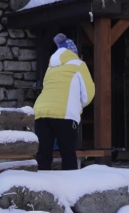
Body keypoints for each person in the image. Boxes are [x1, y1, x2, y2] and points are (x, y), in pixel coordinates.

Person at [32, 33, 95, 171]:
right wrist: (78, 106)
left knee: (43, 154)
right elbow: (88, 93)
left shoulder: (50, 67)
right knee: (67, 153)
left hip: (40, 113)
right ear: (73, 52)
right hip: (65, 114)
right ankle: (70, 187)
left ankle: (42, 187)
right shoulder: (79, 64)